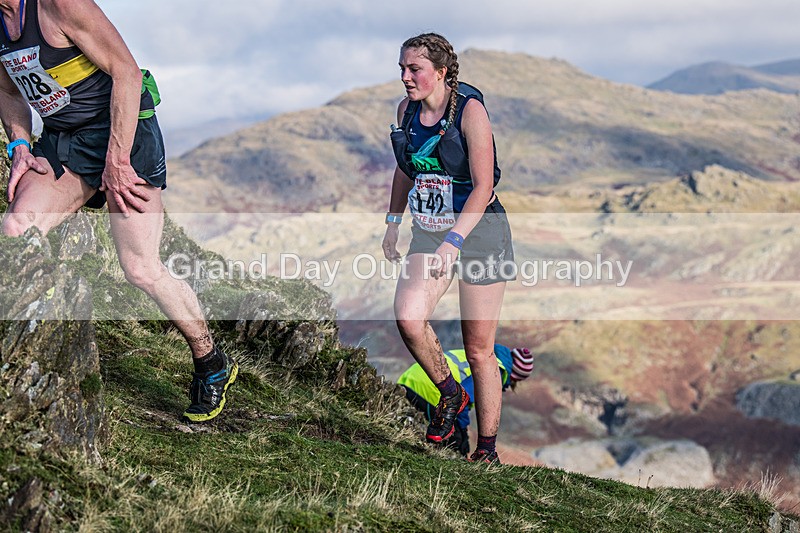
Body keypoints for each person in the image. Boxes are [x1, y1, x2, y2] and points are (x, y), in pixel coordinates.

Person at [0, 0, 235, 422]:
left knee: (141, 268)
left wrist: (117, 161)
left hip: (125, 133)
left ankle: (210, 358)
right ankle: (21, 367)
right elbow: (6, 89)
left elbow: (126, 71)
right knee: (18, 229)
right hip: (65, 140)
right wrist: (19, 145)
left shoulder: (59, 6)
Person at [382, 33, 516, 464]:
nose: (405, 77)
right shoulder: (406, 111)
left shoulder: (470, 112)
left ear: (440, 72)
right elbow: (407, 168)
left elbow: (483, 186)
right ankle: (451, 395)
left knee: (479, 348)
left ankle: (487, 451)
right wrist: (392, 221)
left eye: (414, 69)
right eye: (402, 68)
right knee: (409, 317)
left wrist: (455, 242)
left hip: (480, 234)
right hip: (429, 230)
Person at [398, 345, 534, 457]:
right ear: (515, 375)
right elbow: (463, 398)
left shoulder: (483, 353)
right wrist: (462, 433)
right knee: (455, 443)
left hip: (409, 381)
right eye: (514, 382)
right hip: (430, 391)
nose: (510, 386)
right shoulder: (493, 369)